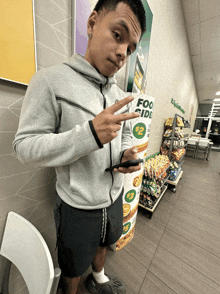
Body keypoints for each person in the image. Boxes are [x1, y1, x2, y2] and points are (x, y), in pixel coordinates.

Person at [13, 0, 146, 293]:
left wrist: (127, 153)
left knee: (105, 244)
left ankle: (98, 278)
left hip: (114, 195)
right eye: (118, 35)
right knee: (72, 265)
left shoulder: (118, 93)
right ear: (92, 23)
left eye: (131, 47)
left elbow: (123, 134)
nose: (123, 52)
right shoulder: (49, 80)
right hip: (77, 204)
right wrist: (88, 135)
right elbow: (24, 146)